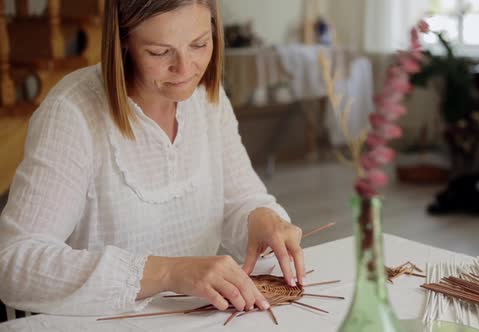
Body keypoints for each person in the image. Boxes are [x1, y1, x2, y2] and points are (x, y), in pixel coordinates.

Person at [0, 0, 305, 316]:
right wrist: (168, 273)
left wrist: (261, 218)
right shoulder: (72, 113)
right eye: (160, 52)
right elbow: (12, 264)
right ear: (123, 43)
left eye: (199, 44)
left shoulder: (205, 98)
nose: (186, 70)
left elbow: (241, 200)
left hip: (193, 321)